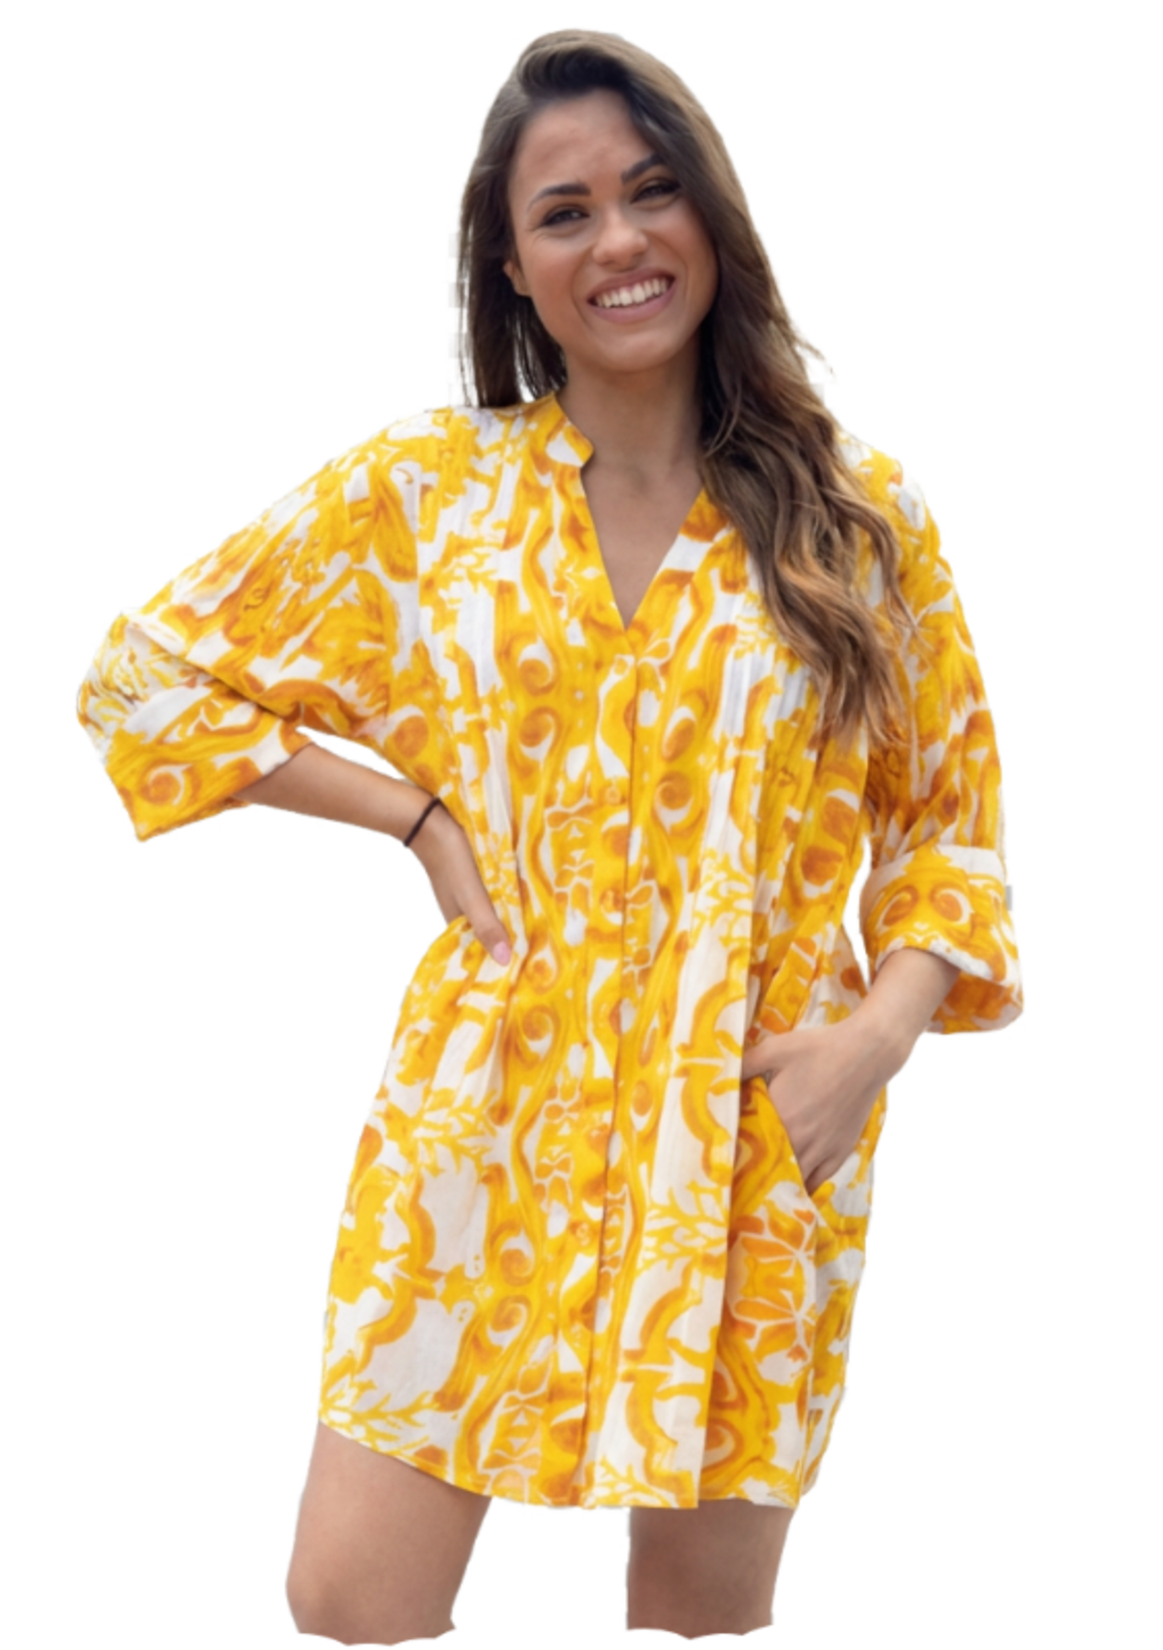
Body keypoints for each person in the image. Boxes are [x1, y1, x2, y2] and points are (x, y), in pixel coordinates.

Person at [75, 26, 1024, 1646]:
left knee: (697, 1629)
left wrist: (865, 1046)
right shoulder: (429, 497)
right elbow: (138, 678)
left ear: (709, 214)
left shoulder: (862, 517)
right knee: (351, 1607)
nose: (618, 241)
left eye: (652, 192)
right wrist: (413, 812)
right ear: (511, 266)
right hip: (487, 1117)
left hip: (746, 1132)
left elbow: (952, 822)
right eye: (564, 213)